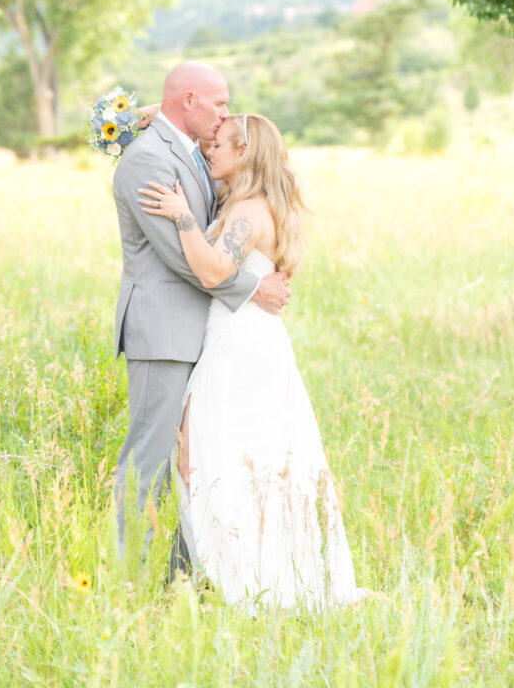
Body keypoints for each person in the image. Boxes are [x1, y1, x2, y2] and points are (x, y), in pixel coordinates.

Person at [139, 113, 366, 610]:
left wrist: (182, 216)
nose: (209, 150)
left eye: (219, 145)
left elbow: (213, 270)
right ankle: (235, 569)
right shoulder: (255, 205)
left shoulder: (247, 211)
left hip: (240, 348)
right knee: (234, 456)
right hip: (247, 340)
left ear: (244, 153)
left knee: (207, 455)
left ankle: (240, 576)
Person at [112, 63, 292, 559]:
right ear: (189, 100)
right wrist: (253, 288)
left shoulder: (194, 149)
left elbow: (243, 140)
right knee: (149, 458)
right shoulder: (147, 159)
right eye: (219, 103)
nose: (225, 113)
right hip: (164, 331)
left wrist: (156, 111)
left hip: (206, 333)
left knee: (200, 458)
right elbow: (180, 256)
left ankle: (189, 570)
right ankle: (130, 573)